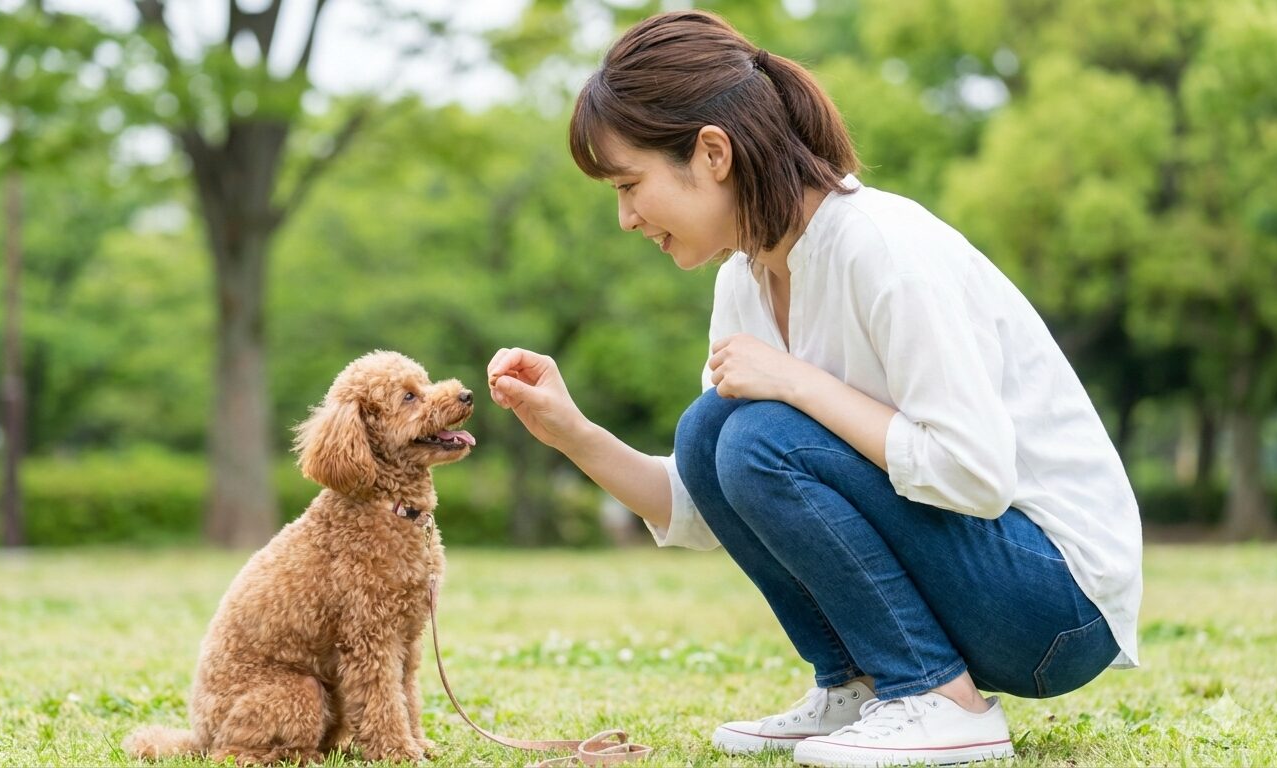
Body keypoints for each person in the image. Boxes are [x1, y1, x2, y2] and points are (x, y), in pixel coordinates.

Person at [485, 10, 1141, 768]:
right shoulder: (747, 279)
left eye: (630, 184)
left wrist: (797, 383)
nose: (627, 218)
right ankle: (861, 686)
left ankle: (942, 700)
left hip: (1055, 604)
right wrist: (573, 432)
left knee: (757, 431)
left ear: (712, 152)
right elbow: (716, 501)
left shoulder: (883, 249)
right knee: (711, 431)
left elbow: (976, 473)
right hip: (980, 584)